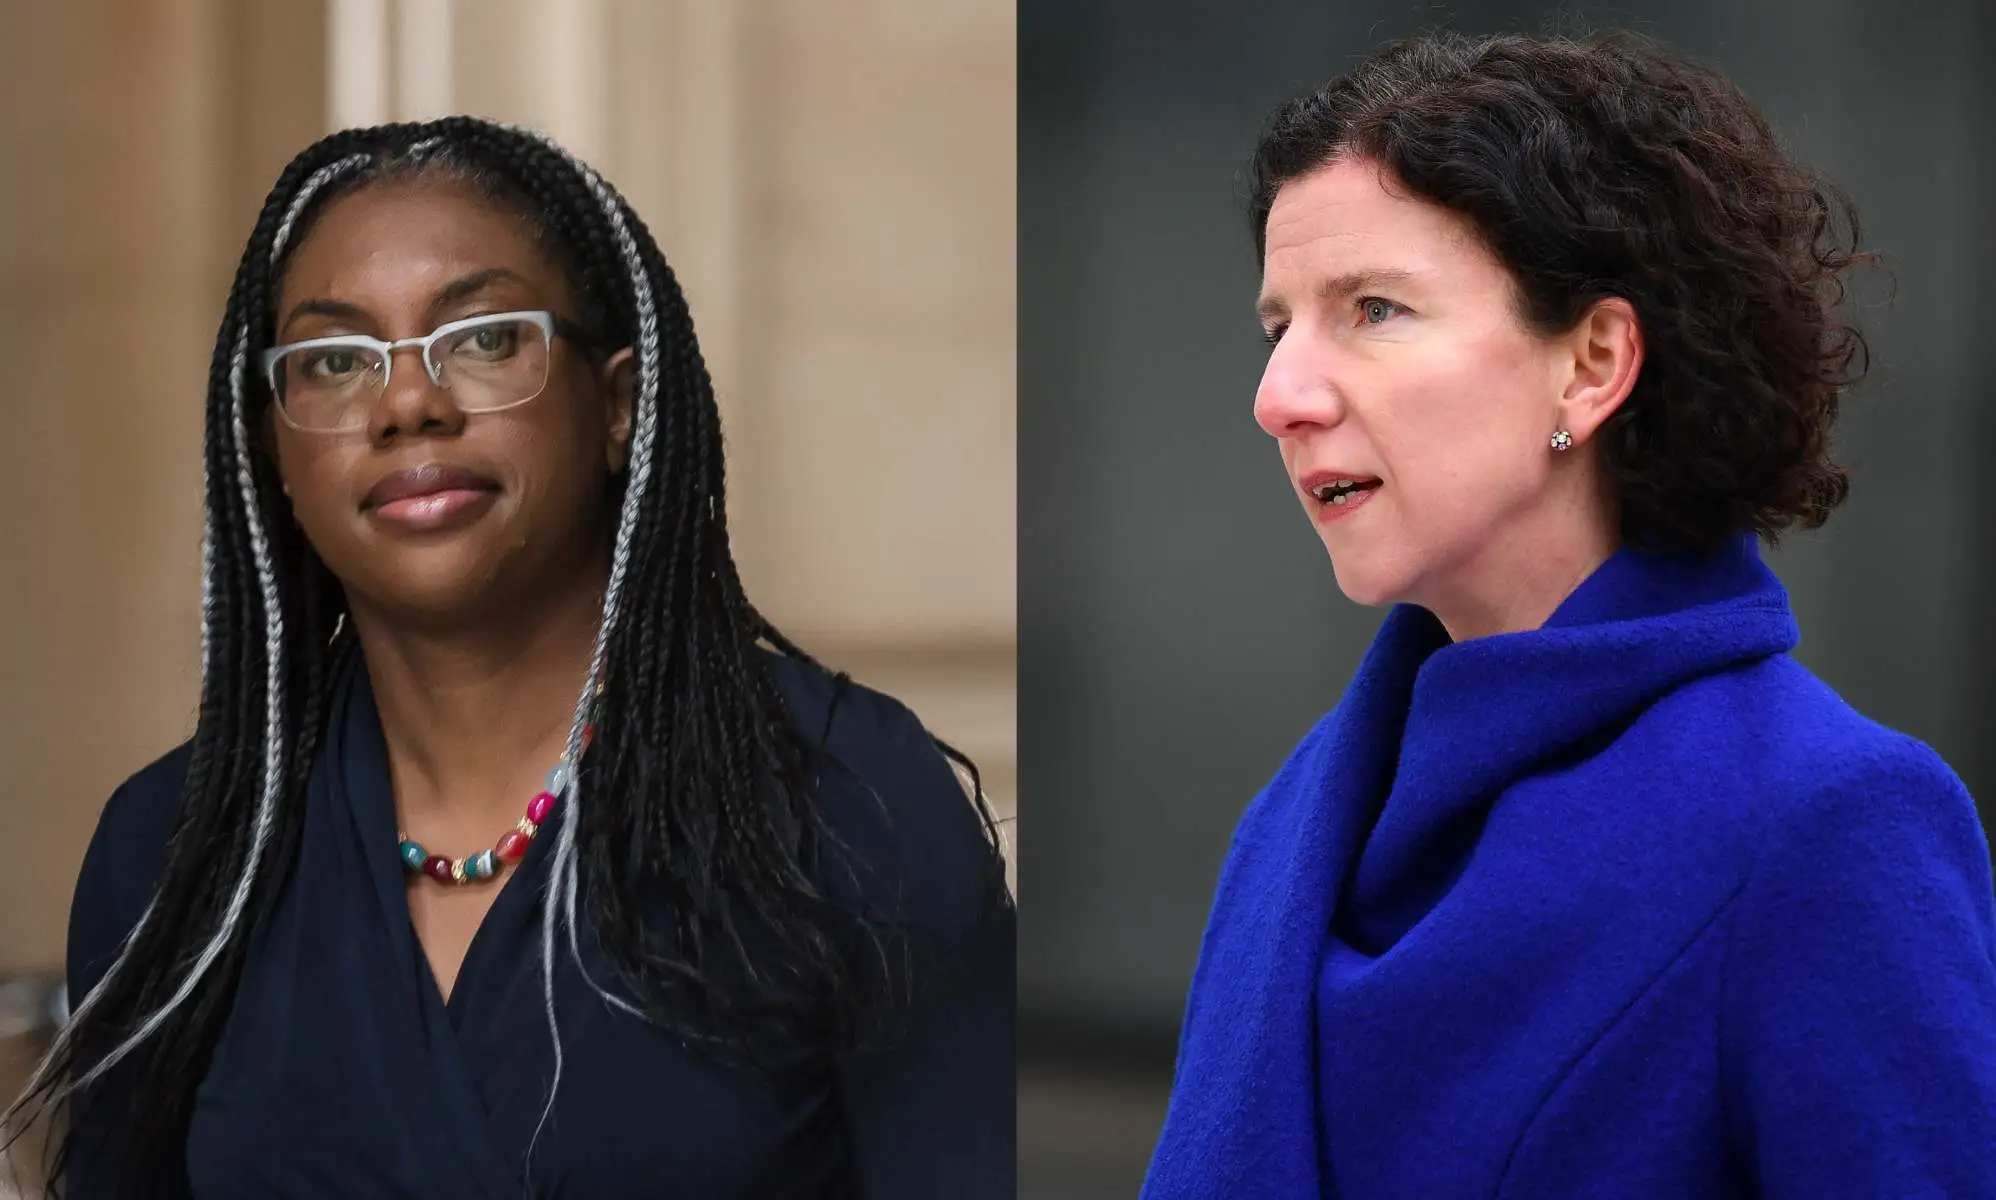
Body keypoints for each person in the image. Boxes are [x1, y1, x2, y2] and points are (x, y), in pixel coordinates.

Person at [3, 118, 1014, 1198]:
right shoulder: (172, 856)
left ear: (618, 404)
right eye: (336, 359)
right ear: (274, 449)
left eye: (482, 339)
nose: (407, 403)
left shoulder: (848, 806)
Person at [1143, 30, 1996, 1199]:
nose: (1278, 396)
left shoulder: (1825, 818)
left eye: (1374, 309)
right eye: (1275, 326)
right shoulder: (1296, 821)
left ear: (1593, 363)